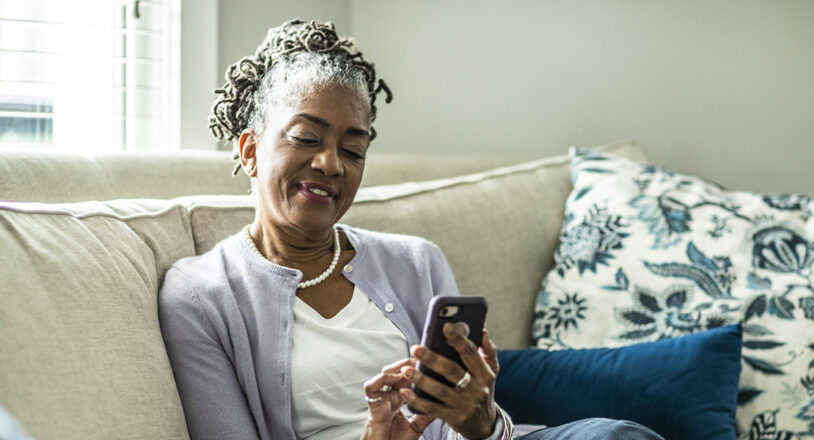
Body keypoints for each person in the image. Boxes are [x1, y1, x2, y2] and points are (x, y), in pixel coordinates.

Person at [158, 19, 663, 440]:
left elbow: (487, 429)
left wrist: (483, 422)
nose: (331, 163)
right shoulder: (200, 294)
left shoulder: (416, 261)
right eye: (306, 138)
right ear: (250, 151)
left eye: (353, 150)